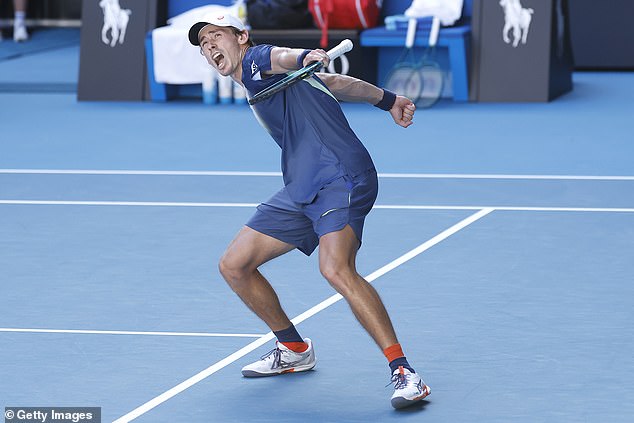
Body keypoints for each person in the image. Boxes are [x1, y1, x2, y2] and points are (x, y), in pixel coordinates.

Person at [188, 14, 430, 409]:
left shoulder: (256, 61)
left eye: (216, 36)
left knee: (335, 268)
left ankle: (405, 372)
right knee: (235, 264)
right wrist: (389, 100)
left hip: (341, 176)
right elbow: (337, 83)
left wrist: (301, 56)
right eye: (203, 44)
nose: (210, 46)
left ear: (241, 37)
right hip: (302, 185)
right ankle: (294, 348)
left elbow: (278, 56)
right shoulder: (264, 83)